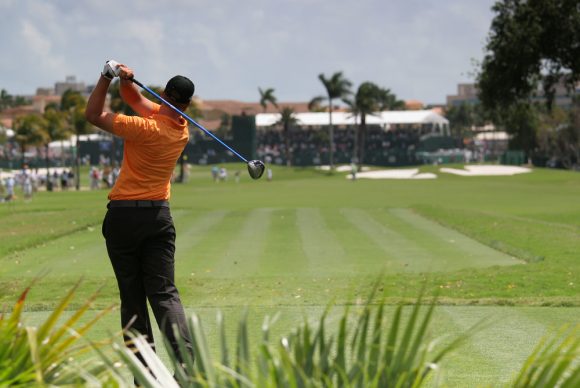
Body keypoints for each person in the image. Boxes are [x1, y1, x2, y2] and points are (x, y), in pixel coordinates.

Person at [85, 60, 194, 373]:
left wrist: (106, 77)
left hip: (123, 219)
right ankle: (187, 369)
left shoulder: (144, 127)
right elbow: (134, 99)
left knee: (133, 300)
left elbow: (93, 115)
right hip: (159, 217)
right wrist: (126, 81)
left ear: (164, 94)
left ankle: (146, 376)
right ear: (186, 103)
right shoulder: (180, 129)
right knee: (164, 295)